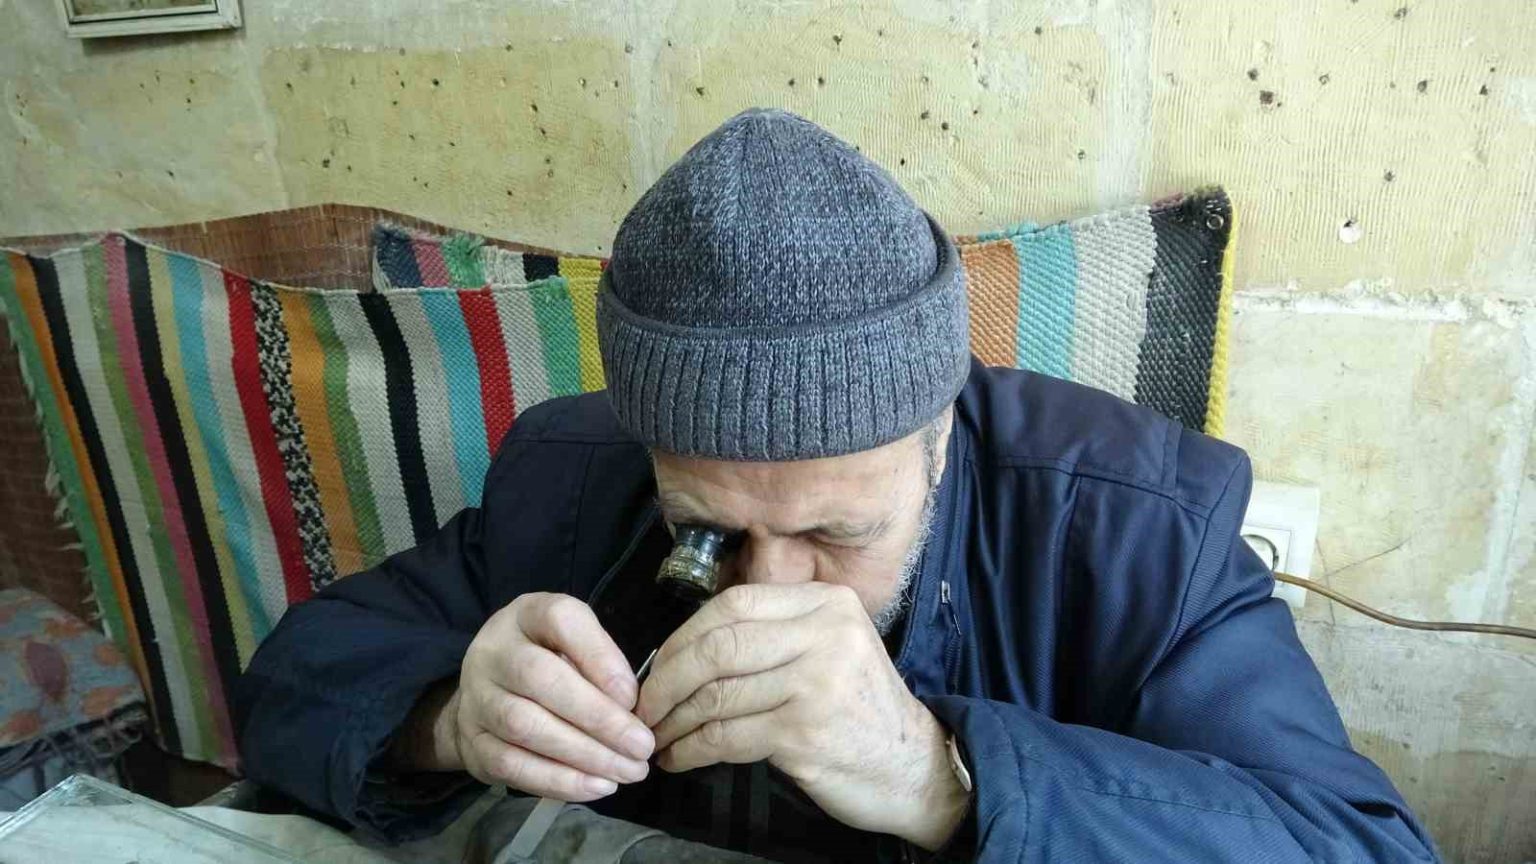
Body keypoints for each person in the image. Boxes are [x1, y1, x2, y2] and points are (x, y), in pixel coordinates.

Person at [233, 109, 1438, 862]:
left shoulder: (1136, 525)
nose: (770, 591)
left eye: (839, 531)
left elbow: (1364, 849)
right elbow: (294, 678)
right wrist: (446, 719)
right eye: (706, 532)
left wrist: (939, 775)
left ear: (941, 436)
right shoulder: (571, 478)